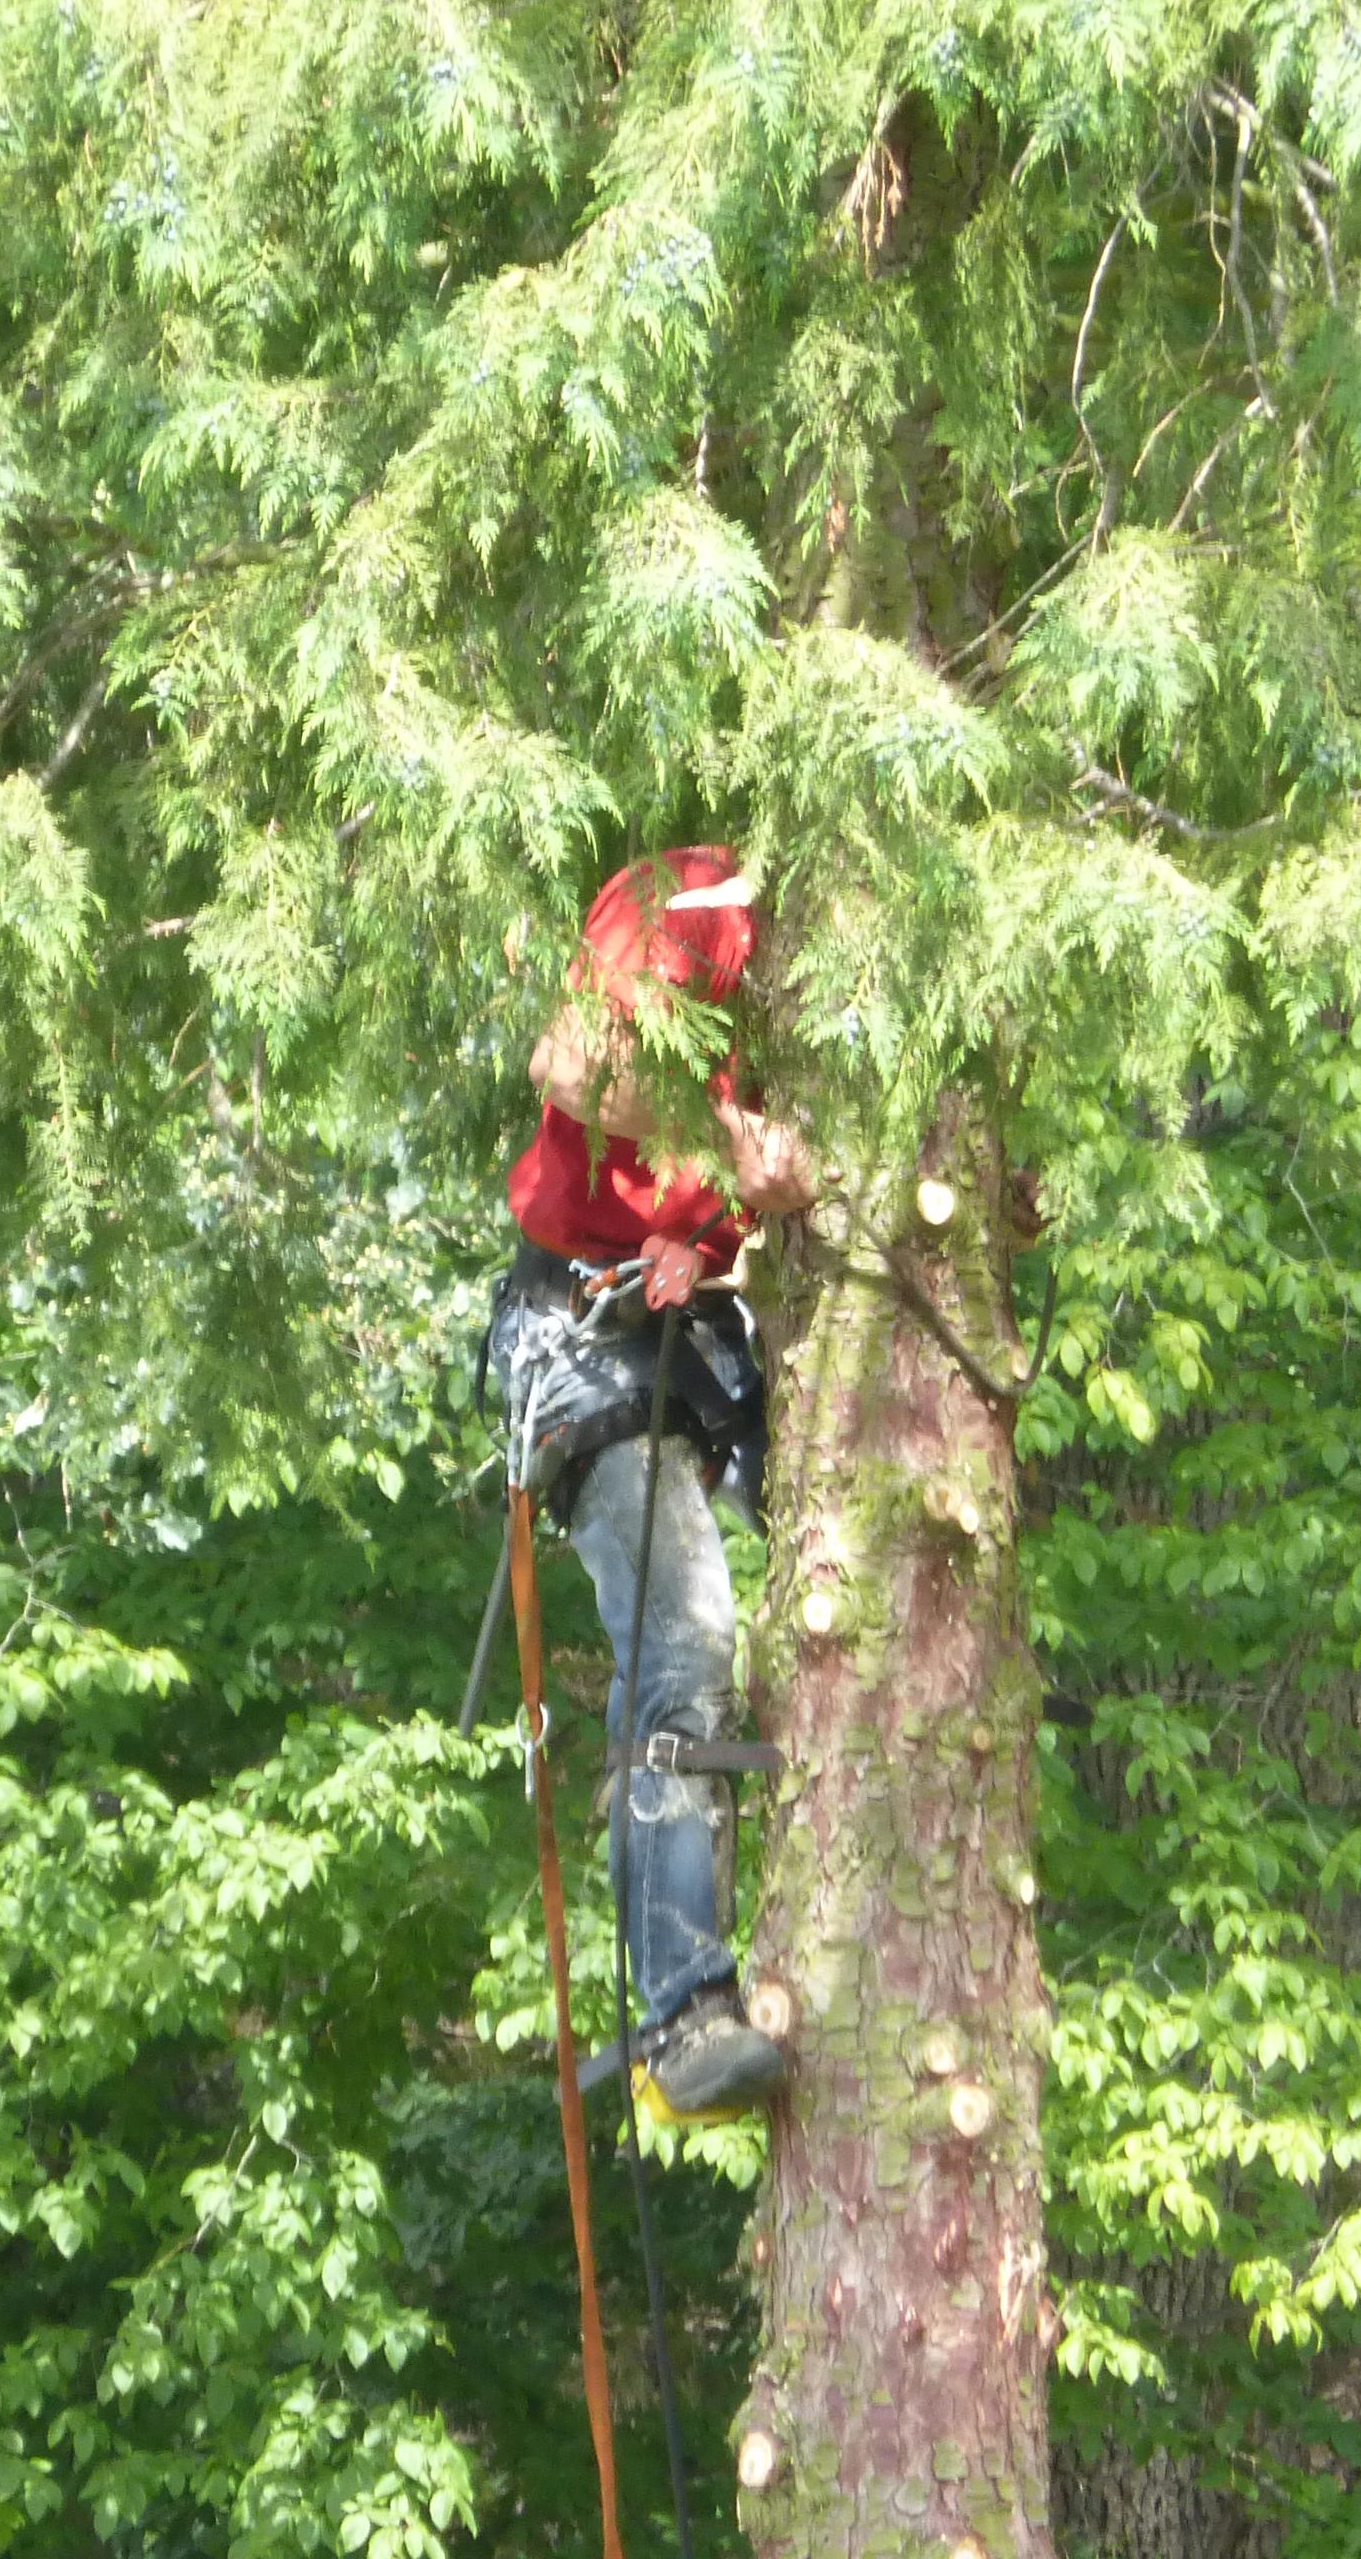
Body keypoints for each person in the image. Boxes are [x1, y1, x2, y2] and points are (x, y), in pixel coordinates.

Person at [482, 847, 818, 2122]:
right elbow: (567, 1063)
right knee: (683, 1632)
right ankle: (683, 2007)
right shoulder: (693, 899)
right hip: (583, 1324)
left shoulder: (891, 969)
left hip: (701, 1331)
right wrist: (722, 1161)